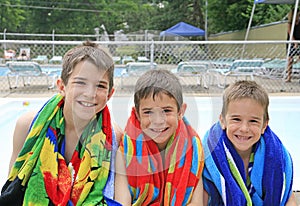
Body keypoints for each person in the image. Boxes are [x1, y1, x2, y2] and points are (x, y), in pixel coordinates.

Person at [0, 41, 123, 205]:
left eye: (100, 85)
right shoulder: (28, 126)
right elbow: (14, 187)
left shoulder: (114, 137)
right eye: (80, 82)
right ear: (62, 86)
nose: (89, 93)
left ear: (109, 94)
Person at [114, 69, 204, 206]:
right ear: (137, 114)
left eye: (166, 111)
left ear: (181, 112)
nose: (158, 120)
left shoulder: (192, 147)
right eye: (148, 112)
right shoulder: (126, 150)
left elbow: (196, 203)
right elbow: (122, 202)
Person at [202, 80, 296, 205]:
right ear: (223, 121)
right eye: (236, 119)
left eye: (253, 121)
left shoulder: (276, 154)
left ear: (264, 125)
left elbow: (289, 198)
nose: (244, 129)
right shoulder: (210, 154)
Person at [286, 8, 300, 82]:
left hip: (299, 39)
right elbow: (290, 32)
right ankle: (289, 76)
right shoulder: (290, 23)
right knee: (290, 59)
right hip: (291, 40)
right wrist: (294, 42)